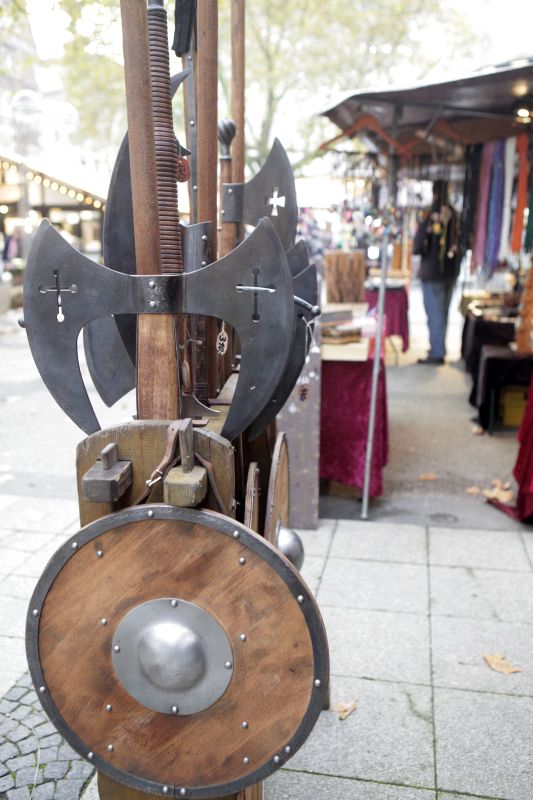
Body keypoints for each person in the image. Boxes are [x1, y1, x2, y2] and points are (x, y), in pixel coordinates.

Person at [413, 179, 459, 364]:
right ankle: (438, 347)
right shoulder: (454, 214)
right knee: (442, 313)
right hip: (450, 272)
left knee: (435, 314)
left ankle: (437, 351)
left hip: (432, 273)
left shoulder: (430, 214)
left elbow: (417, 246)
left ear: (434, 193)